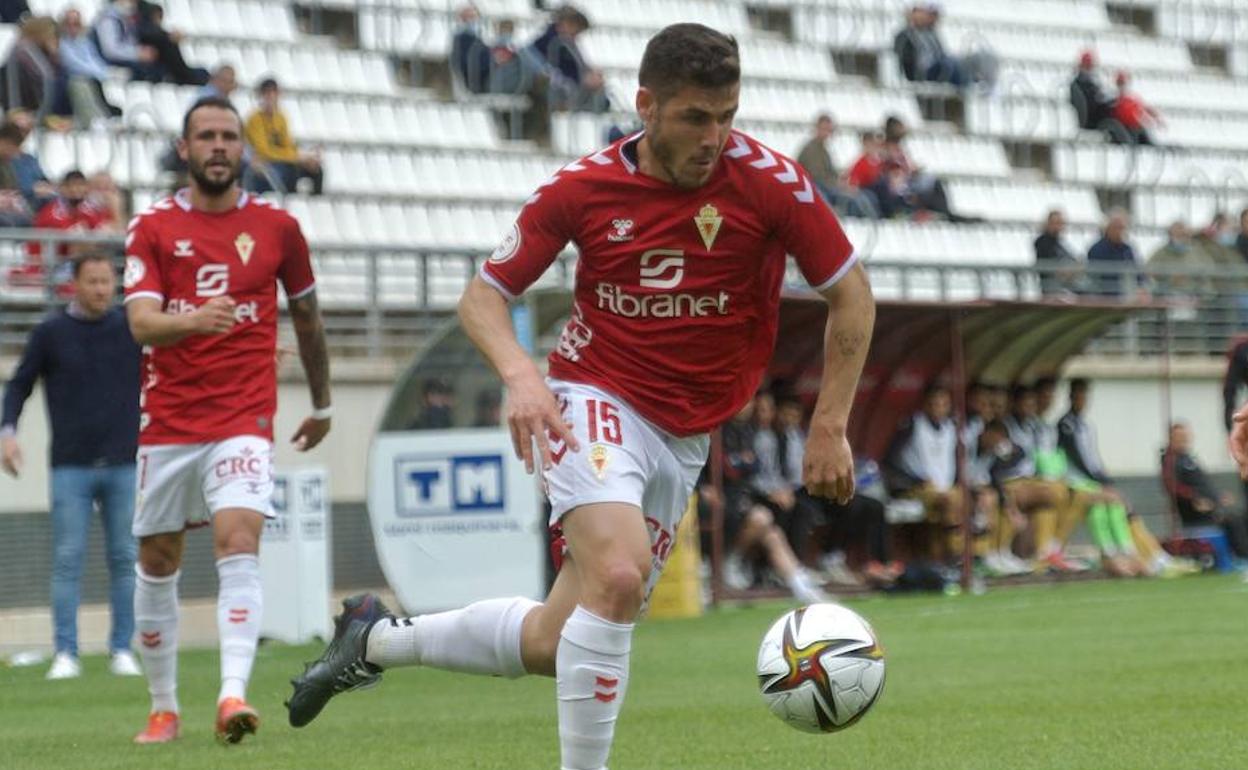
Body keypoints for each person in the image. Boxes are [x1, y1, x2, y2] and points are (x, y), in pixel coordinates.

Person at [285, 24, 874, 770]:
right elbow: (483, 297)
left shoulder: (771, 182)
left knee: (555, 643)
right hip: (594, 393)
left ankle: (372, 640)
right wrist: (525, 377)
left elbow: (851, 296)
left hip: (686, 434)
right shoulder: (583, 188)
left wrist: (831, 426)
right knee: (621, 574)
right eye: (697, 117)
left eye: (728, 115)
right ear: (646, 106)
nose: (715, 137)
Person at [123, 95, 332, 744]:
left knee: (238, 540)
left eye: (228, 136)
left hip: (243, 417)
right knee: (159, 559)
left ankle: (231, 695)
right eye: (205, 136)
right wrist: (194, 320)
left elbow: (307, 319)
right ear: (184, 150)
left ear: (243, 148)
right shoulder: (151, 227)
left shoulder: (278, 228)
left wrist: (323, 404)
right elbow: (140, 324)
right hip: (169, 423)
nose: (218, 146)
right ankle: (163, 707)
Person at [2, 252, 143, 681]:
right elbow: (20, 385)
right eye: (94, 281)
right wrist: (7, 431)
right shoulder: (51, 333)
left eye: (107, 281)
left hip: (123, 462)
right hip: (70, 466)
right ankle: (66, 652)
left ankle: (122, 648)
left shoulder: (130, 328)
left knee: (124, 557)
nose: (102, 289)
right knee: (67, 558)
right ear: (75, 284)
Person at [703, 400, 830, 602]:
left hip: (740, 498)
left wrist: (744, 464)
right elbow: (729, 468)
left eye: (749, 402)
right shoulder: (717, 430)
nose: (746, 406)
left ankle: (802, 586)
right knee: (763, 519)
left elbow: (752, 467)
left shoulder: (748, 432)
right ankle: (725, 564)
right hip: (721, 500)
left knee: (774, 533)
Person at [883, 384, 962, 560]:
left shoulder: (951, 428)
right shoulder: (911, 425)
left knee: (974, 499)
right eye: (935, 403)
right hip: (916, 488)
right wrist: (915, 481)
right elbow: (889, 462)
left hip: (944, 488)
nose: (939, 408)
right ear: (925, 404)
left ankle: (978, 555)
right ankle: (954, 557)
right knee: (949, 502)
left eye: (944, 404)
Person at [1164, 422, 1248, 558]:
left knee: (1241, 517)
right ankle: (1243, 559)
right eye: (1180, 436)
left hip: (1212, 507)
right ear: (1171, 438)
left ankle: (1238, 558)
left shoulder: (1189, 459)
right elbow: (1172, 486)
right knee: (1234, 522)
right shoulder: (1170, 461)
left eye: (1186, 435)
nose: (1184, 439)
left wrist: (1218, 497)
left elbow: (1203, 485)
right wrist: (1194, 499)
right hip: (1195, 514)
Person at [244, 77, 324, 195]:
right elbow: (264, 151)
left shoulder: (281, 117)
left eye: (274, 93)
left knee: (316, 170)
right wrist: (295, 157)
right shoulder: (255, 119)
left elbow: (287, 144)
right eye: (267, 93)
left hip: (281, 161)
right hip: (264, 164)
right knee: (289, 171)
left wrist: (304, 157)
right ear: (260, 96)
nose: (271, 97)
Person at [27, 169, 115, 274]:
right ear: (62, 189)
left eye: (80, 186)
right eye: (72, 186)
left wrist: (114, 209)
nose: (76, 190)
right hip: (47, 268)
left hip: (71, 263)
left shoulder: (86, 209)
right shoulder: (51, 212)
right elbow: (74, 241)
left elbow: (107, 228)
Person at [522, 4, 607, 113]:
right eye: (576, 28)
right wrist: (585, 79)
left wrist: (590, 76)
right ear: (565, 23)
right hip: (555, 94)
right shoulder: (551, 43)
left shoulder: (566, 44)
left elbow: (578, 68)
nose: (576, 35)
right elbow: (550, 73)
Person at [893, 2, 995, 91]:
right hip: (924, 72)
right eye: (929, 14)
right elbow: (907, 62)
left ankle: (982, 85)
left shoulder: (931, 33)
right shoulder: (905, 35)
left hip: (939, 66)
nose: (933, 19)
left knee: (981, 57)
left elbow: (940, 54)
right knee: (951, 64)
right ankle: (968, 84)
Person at [796, 114, 873, 219]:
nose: (827, 133)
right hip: (817, 187)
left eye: (829, 129)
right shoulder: (811, 149)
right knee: (853, 200)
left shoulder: (823, 149)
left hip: (827, 186)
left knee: (864, 196)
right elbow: (817, 177)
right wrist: (839, 185)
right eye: (824, 129)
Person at [1, 15, 71, 125]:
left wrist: (54, 56)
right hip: (27, 114)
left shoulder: (45, 55)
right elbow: (45, 79)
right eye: (53, 34)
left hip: (46, 113)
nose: (56, 39)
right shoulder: (22, 52)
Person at [59, 7, 122, 123]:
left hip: (93, 80)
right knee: (81, 83)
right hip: (72, 82)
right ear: (63, 25)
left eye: (76, 24)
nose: (73, 27)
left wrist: (105, 72)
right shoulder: (61, 44)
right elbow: (73, 64)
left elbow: (94, 60)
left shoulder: (84, 42)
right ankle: (95, 120)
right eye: (69, 24)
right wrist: (101, 73)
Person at [135, 0, 208, 86]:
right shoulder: (152, 34)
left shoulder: (160, 35)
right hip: (163, 69)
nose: (159, 19)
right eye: (157, 16)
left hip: (173, 70)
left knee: (203, 72)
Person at [95, 0, 163, 82]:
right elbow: (111, 50)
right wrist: (137, 53)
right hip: (115, 62)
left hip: (131, 59)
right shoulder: (108, 19)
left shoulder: (127, 17)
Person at [1086, 208, 1140, 297]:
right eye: (1117, 228)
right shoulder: (1097, 249)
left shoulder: (1127, 249)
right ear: (1107, 228)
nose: (1121, 231)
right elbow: (1097, 278)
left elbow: (1138, 274)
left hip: (1125, 295)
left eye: (1123, 228)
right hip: (1103, 296)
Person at [1069, 50, 1120, 138]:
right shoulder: (1078, 84)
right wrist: (1106, 102)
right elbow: (1090, 105)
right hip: (1091, 121)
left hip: (1097, 116)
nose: (1090, 68)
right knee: (1117, 119)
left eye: (1091, 66)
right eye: (1088, 66)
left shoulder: (1091, 82)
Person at [1034, 209, 1083, 297]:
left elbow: (1078, 262)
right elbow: (1053, 270)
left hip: (1067, 286)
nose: (1058, 226)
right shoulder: (1043, 242)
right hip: (1054, 289)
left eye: (1061, 223)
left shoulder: (1060, 243)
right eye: (1055, 223)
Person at [1111, 71, 1161, 146]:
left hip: (1135, 126)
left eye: (1123, 82)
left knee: (1143, 134)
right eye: (1120, 82)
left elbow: (1144, 108)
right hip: (1124, 127)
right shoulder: (1113, 97)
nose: (1122, 85)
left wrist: (1155, 117)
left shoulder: (1132, 97)